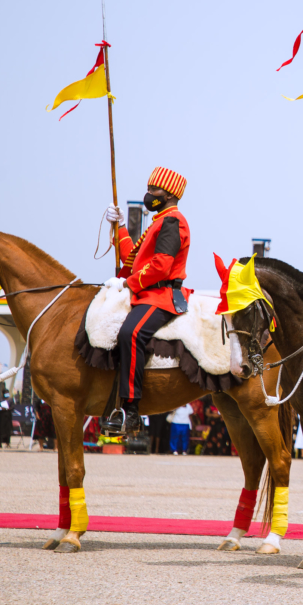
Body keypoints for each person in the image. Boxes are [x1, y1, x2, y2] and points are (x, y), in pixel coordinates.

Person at [103, 167, 192, 435]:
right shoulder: (158, 221)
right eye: (149, 189)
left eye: (154, 190)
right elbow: (133, 260)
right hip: (147, 292)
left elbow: (161, 266)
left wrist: (128, 283)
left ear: (169, 194)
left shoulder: (173, 222)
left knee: (131, 333)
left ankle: (130, 409)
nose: (149, 194)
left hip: (162, 294)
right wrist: (119, 227)